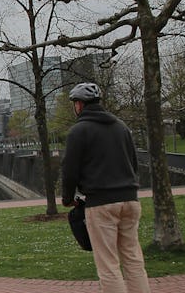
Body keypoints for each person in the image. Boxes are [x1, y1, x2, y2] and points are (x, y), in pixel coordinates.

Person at [61, 83, 150, 293]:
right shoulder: (121, 127)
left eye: (75, 103)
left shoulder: (78, 131)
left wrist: (67, 198)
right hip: (130, 200)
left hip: (101, 204)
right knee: (133, 259)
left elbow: (70, 170)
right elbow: (133, 163)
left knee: (108, 264)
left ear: (79, 105)